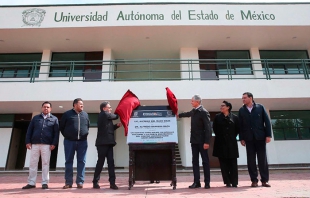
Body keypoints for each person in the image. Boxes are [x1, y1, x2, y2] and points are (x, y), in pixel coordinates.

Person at [22, 101, 59, 190]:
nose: (46, 108)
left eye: (47, 107)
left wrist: (54, 143)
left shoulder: (54, 119)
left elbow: (56, 133)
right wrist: (28, 141)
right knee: (33, 163)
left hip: (47, 145)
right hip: (35, 144)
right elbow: (29, 130)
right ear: (42, 108)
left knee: (45, 163)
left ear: (50, 109)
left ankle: (45, 183)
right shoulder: (35, 118)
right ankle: (31, 182)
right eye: (44, 107)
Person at [178, 94, 212, 189]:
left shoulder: (203, 112)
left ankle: (207, 182)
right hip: (194, 141)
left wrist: (207, 142)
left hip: (202, 141)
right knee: (195, 161)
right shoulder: (194, 111)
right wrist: (178, 115)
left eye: (192, 101)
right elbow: (188, 114)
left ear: (197, 102)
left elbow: (208, 128)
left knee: (205, 161)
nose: (191, 102)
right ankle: (197, 182)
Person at [238, 92, 272, 188]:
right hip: (248, 139)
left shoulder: (260, 107)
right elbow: (240, 126)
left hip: (260, 137)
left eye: (245, 98)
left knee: (262, 160)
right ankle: (254, 180)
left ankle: (264, 180)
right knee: (251, 160)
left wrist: (268, 135)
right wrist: (241, 138)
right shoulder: (241, 110)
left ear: (250, 98)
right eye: (242, 98)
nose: (243, 99)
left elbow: (267, 121)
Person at [60, 98, 90, 189]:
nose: (82, 106)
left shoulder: (85, 114)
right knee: (69, 161)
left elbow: (87, 126)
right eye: (80, 104)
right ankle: (68, 182)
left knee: (82, 161)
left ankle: (80, 182)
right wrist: (68, 136)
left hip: (82, 142)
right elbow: (62, 127)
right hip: (69, 141)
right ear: (75, 105)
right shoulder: (67, 114)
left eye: (83, 104)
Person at [92, 101, 121, 190]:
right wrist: (119, 112)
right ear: (104, 108)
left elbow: (108, 128)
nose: (110, 109)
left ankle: (112, 183)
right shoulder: (104, 114)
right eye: (109, 107)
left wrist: (116, 126)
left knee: (111, 163)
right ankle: (95, 182)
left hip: (109, 143)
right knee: (100, 162)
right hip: (102, 143)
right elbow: (116, 116)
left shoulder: (106, 117)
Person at [212, 101, 239, 188]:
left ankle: (234, 182)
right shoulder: (217, 117)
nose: (221, 107)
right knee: (223, 164)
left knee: (233, 163)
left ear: (228, 107)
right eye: (221, 106)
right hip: (221, 143)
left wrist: (231, 137)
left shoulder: (235, 117)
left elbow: (237, 129)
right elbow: (215, 129)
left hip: (232, 143)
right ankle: (227, 182)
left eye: (223, 106)